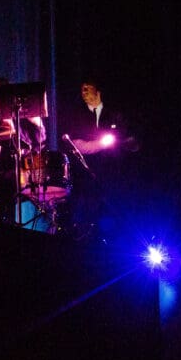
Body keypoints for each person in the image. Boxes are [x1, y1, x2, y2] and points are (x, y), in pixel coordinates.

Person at [64, 78, 137, 239]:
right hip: (87, 176)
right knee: (87, 214)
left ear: (98, 91)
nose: (83, 93)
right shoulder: (78, 115)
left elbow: (128, 141)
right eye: (82, 89)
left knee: (114, 215)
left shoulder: (114, 114)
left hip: (112, 174)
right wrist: (104, 143)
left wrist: (120, 142)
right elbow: (77, 145)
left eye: (87, 88)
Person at [0, 77, 46, 226]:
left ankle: (4, 224)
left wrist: (16, 128)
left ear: (3, 94)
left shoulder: (24, 112)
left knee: (8, 180)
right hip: (4, 169)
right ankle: (3, 223)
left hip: (27, 167)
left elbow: (40, 139)